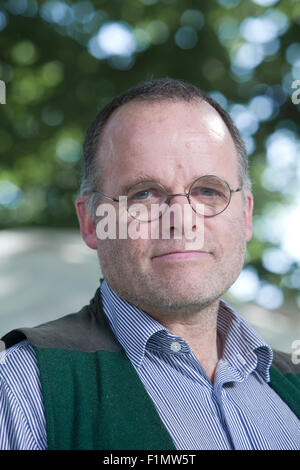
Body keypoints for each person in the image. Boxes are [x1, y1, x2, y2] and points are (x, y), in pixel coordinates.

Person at [0, 78, 299, 450]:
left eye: (208, 191)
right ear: (91, 222)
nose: (182, 218)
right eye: (144, 193)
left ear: (246, 214)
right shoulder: (21, 388)